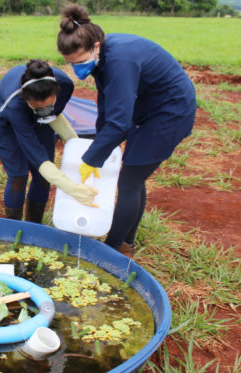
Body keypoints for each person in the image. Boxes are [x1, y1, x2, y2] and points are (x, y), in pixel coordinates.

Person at [56, 4, 196, 253]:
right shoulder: (102, 56)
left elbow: (120, 123)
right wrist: (100, 143)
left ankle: (112, 251)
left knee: (130, 180)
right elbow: (106, 104)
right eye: (71, 63)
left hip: (169, 113)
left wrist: (91, 158)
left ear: (95, 46)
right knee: (134, 175)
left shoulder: (120, 61)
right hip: (147, 108)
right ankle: (126, 241)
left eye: (80, 61)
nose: (77, 69)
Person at [0, 59, 98, 223]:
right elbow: (34, 150)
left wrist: (78, 148)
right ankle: (14, 226)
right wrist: (70, 188)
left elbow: (53, 115)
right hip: (4, 121)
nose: (44, 110)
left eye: (48, 105)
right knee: (18, 175)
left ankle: (34, 225)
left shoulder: (65, 85)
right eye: (38, 107)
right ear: (26, 98)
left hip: (38, 119)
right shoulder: (14, 105)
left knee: (43, 177)